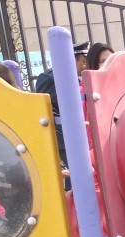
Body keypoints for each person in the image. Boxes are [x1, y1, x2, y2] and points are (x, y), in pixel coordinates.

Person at [34, 40, 89, 177]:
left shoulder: (77, 79)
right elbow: (49, 106)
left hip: (79, 133)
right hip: (61, 135)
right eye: (82, 62)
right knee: (73, 172)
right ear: (72, 60)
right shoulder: (50, 78)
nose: (84, 66)